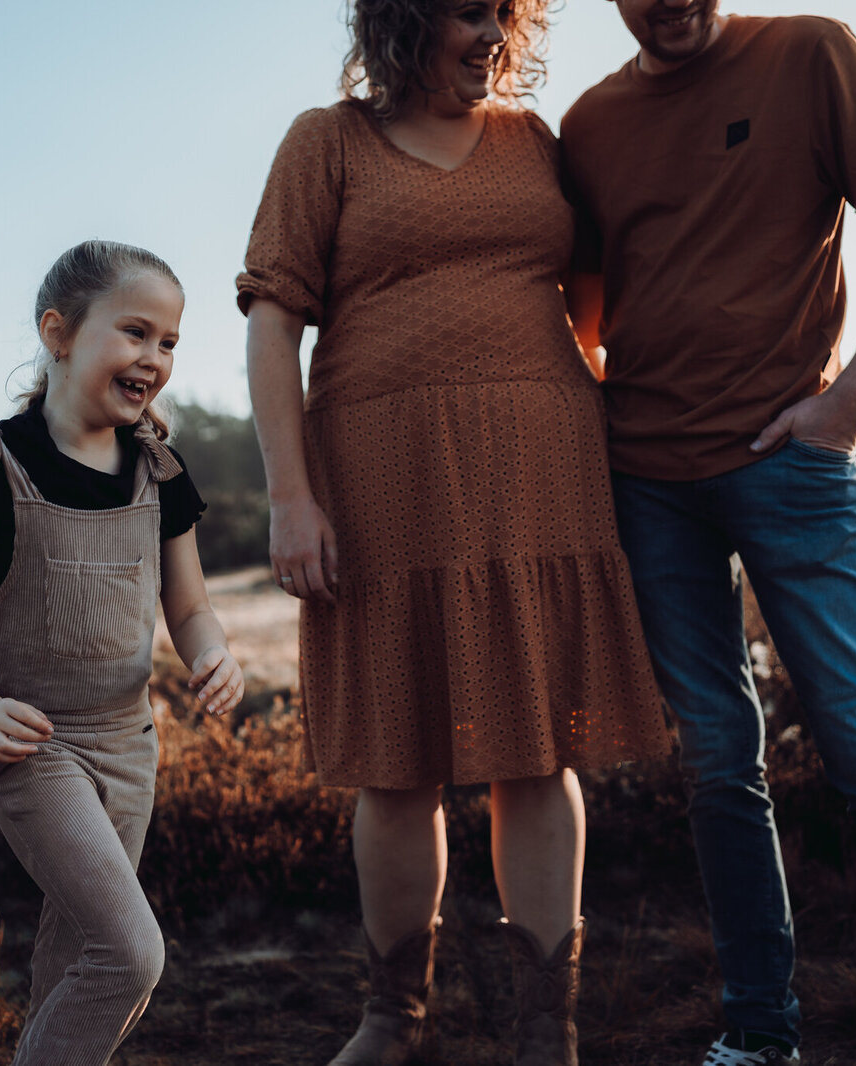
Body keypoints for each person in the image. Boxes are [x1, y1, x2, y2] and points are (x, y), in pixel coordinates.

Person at [560, 4, 856, 1064]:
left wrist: (848, 402)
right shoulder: (587, 125)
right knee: (717, 758)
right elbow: (579, 316)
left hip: (795, 462)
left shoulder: (811, 53)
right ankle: (759, 1031)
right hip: (650, 483)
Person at [238, 3, 671, 1063]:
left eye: (502, 15)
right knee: (397, 761)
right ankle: (393, 1020)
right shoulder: (323, 142)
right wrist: (289, 495)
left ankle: (543, 1030)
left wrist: (553, 388)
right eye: (468, 16)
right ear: (403, 24)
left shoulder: (535, 144)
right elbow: (269, 324)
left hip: (539, 472)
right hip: (381, 480)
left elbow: (591, 298)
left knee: (538, 748)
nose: (491, 38)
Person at [0, 239, 245, 1066]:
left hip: (131, 750)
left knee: (78, 957)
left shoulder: (160, 475)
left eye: (169, 342)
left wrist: (215, 654)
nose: (154, 358)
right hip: (35, 748)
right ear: (58, 332)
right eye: (135, 332)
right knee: (132, 954)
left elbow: (189, 604)